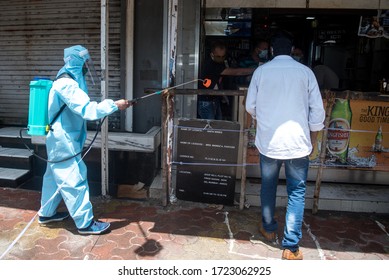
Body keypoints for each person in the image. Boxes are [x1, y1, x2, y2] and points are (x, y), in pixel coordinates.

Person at [245, 31, 325, 260]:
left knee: (268, 186)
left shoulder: (261, 71)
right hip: (298, 143)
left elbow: (250, 106)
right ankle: (290, 247)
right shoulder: (305, 72)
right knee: (297, 191)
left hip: (269, 143)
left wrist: (265, 118)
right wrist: (313, 137)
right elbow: (317, 111)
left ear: (270, 51)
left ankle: (269, 230)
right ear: (291, 50)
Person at [37, 45, 132, 235]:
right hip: (63, 141)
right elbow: (87, 110)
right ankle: (85, 224)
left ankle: (46, 214)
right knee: (74, 179)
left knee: (53, 179)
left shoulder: (67, 78)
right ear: (77, 61)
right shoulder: (66, 84)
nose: (87, 66)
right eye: (84, 61)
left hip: (61, 139)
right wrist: (114, 105)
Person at [197, 40, 228, 120]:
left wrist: (223, 96)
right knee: (210, 129)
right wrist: (255, 69)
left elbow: (218, 82)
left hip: (214, 99)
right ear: (212, 54)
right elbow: (235, 72)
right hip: (206, 101)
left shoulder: (219, 63)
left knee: (217, 126)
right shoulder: (210, 64)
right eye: (218, 56)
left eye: (223, 57)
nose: (220, 59)